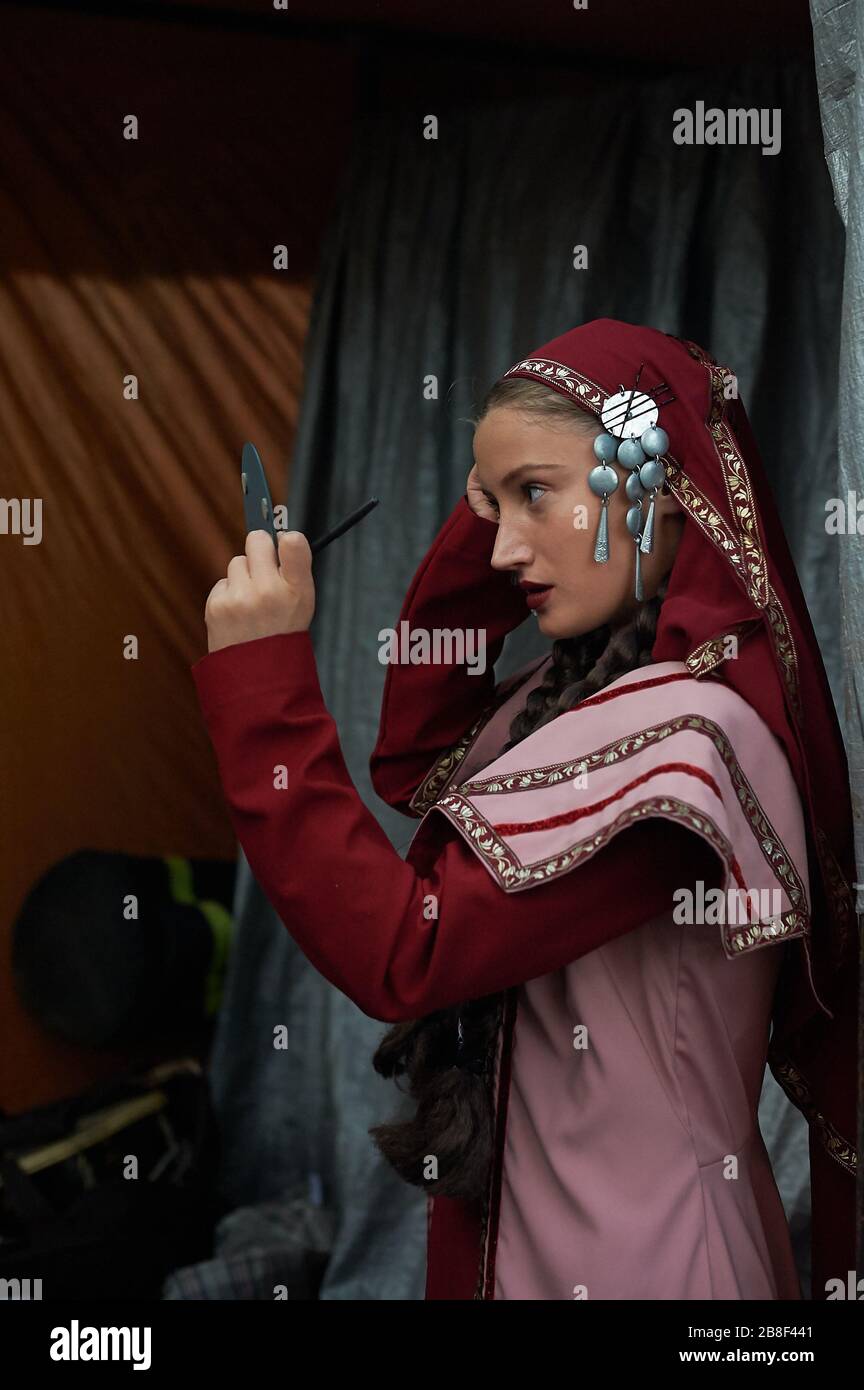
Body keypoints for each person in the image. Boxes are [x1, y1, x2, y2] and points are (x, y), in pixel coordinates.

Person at [191, 319, 857, 1301]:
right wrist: (509, 475)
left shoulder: (689, 744)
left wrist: (261, 678)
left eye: (534, 495)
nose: (501, 548)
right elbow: (420, 749)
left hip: (650, 1264)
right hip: (529, 1246)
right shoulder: (578, 695)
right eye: (487, 505)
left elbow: (403, 950)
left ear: (656, 486)